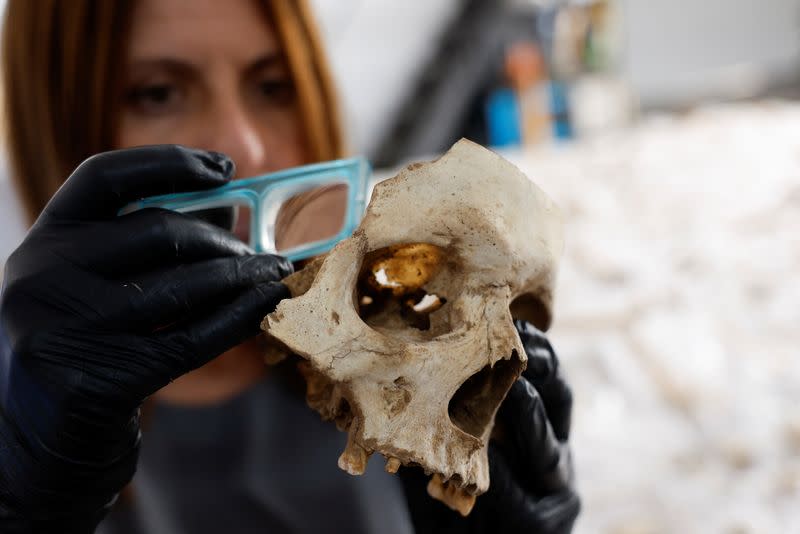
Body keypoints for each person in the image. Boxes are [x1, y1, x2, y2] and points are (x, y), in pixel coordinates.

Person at [0, 1, 580, 533]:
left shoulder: (401, 349)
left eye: (273, 86)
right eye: (156, 93)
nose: (242, 145)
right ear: (52, 120)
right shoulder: (26, 415)